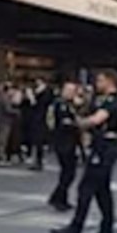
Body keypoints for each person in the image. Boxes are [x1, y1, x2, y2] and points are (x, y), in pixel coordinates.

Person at [50, 70, 117, 233]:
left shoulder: (113, 101)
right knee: (102, 191)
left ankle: (76, 228)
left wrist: (77, 123)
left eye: (100, 80)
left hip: (104, 148)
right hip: (103, 146)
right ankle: (106, 231)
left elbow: (96, 120)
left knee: (86, 188)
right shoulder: (105, 100)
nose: (97, 83)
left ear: (110, 81)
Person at [46, 80, 80, 212]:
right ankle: (58, 198)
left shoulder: (69, 104)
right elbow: (65, 122)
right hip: (63, 141)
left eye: (73, 91)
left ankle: (60, 198)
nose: (71, 93)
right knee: (68, 173)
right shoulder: (60, 104)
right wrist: (77, 124)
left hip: (70, 141)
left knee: (68, 172)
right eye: (69, 90)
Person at [28, 78, 53, 171]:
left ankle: (39, 162)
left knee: (38, 140)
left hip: (40, 118)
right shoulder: (42, 92)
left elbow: (36, 104)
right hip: (39, 118)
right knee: (37, 140)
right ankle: (37, 161)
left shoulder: (45, 93)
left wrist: (32, 97)